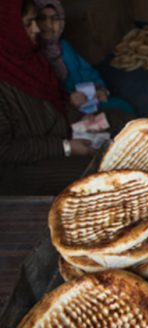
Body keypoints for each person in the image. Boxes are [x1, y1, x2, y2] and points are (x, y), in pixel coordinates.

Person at [0, 0, 94, 195]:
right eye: (27, 24)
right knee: (97, 173)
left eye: (35, 21)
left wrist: (79, 120)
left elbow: (56, 99)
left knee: (124, 123)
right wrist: (65, 147)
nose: (37, 29)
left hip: (55, 135)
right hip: (22, 166)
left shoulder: (30, 59)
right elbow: (5, 150)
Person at [34, 0, 136, 116]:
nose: (49, 24)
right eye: (42, 18)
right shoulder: (34, 54)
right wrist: (68, 99)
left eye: (55, 18)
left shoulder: (64, 47)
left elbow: (87, 72)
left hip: (88, 102)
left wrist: (99, 89)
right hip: (62, 111)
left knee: (123, 108)